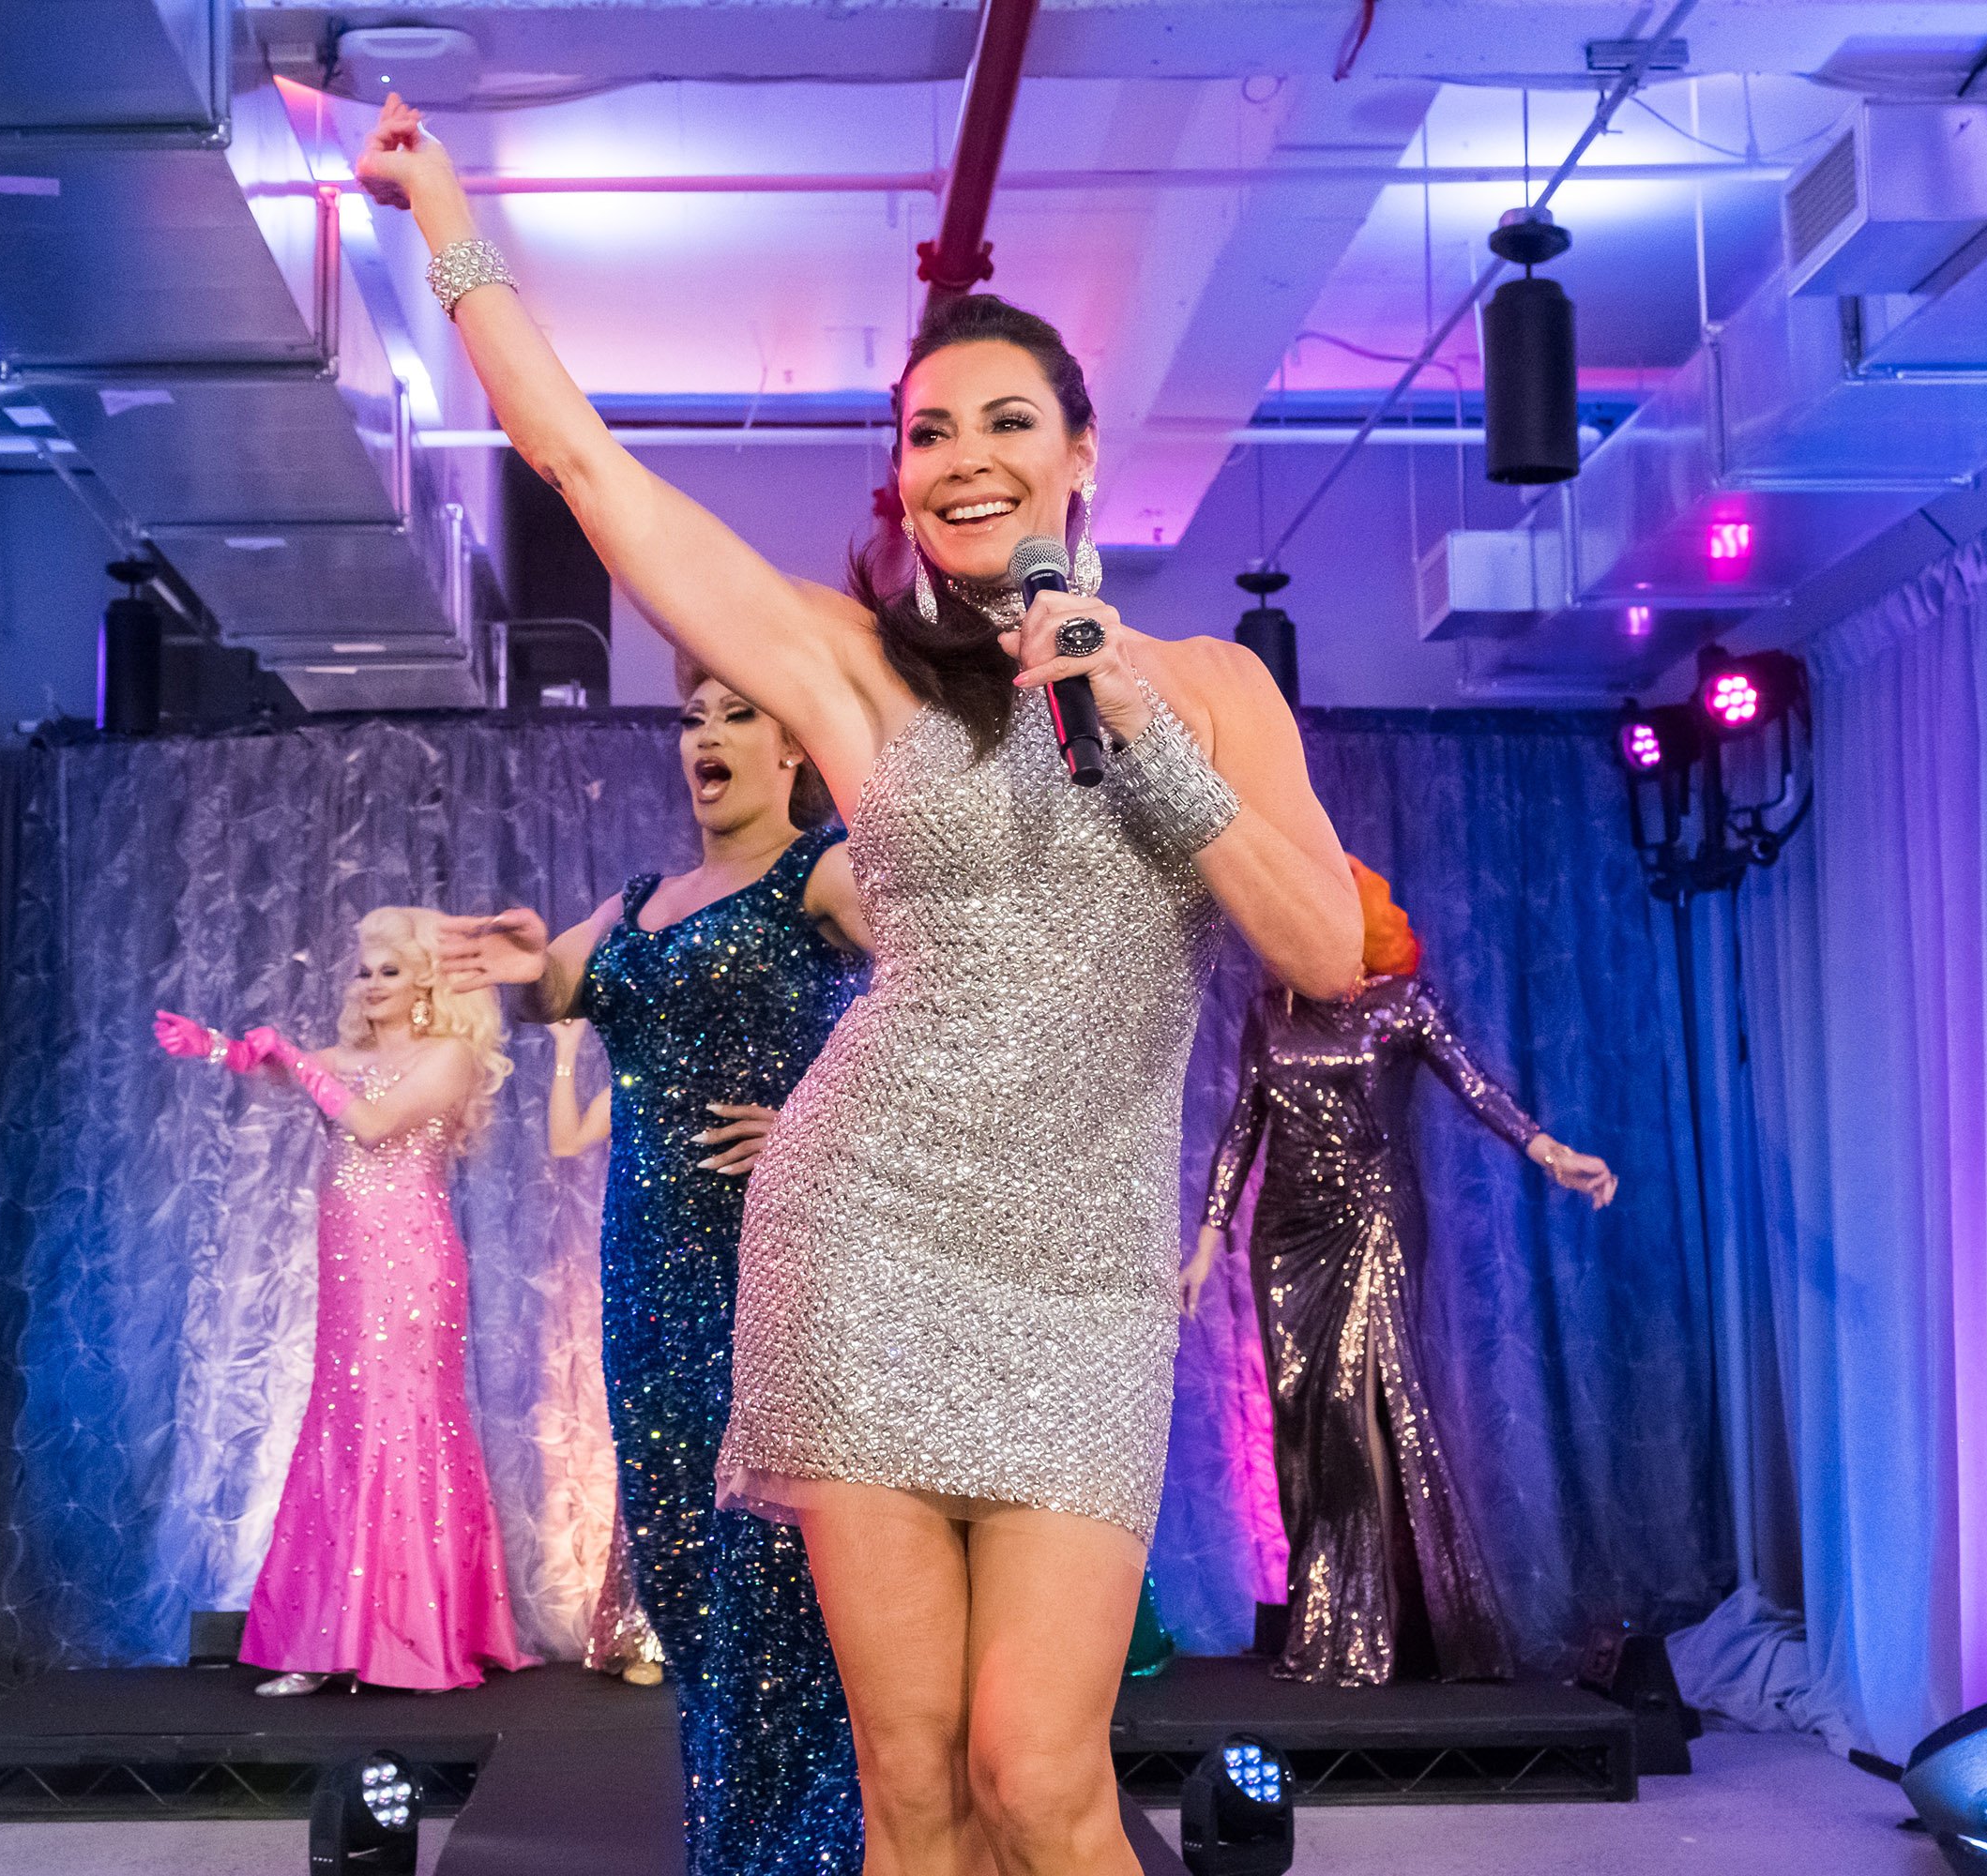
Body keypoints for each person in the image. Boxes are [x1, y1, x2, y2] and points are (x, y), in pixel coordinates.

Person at [363, 93, 1360, 1876]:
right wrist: (445, 220)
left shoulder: (1209, 687)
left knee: (1040, 1779)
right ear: (898, 480)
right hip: (865, 1244)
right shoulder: (848, 676)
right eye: (924, 432)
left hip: (1078, 1278)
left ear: (1077, 452)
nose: (961, 456)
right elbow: (589, 469)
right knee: (907, 1785)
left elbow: (1322, 949)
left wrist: (1127, 712)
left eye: (1003, 421)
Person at [438, 668, 872, 1876]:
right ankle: (733, 1846)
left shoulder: (820, 872)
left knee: (779, 1575)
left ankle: (815, 1850)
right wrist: (525, 960)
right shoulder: (639, 899)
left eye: (740, 712)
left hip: (780, 1265)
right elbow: (554, 990)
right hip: (645, 1272)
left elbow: (960, 1002)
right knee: (682, 1566)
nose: (709, 736)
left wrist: (818, 1118)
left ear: (793, 749)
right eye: (694, 718)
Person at [1184, 861, 1616, 1687]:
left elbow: (1476, 1083)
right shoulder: (1267, 1015)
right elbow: (1243, 1125)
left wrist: (1550, 1152)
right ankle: (1328, 1618)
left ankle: (1376, 1628)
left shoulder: (1400, 1004)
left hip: (1373, 1218)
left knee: (1360, 1407)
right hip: (1289, 1231)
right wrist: (1208, 1239)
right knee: (1304, 1420)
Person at [152, 907, 530, 1694]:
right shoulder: (351, 1055)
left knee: (404, 1422)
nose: (371, 983)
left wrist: (298, 1060)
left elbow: (370, 1120)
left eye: (389, 969)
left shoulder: (449, 1056)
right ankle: (326, 1642)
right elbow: (277, 1066)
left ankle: (411, 1636)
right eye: (364, 969)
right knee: (344, 1422)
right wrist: (218, 1048)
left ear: (425, 979)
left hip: (414, 1267)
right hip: (351, 1266)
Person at [544, 1015, 666, 1688]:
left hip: (733, 1272)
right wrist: (566, 1055)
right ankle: (643, 1633)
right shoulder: (633, 1084)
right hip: (646, 1273)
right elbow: (567, 1139)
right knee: (655, 1448)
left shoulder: (731, 1077)